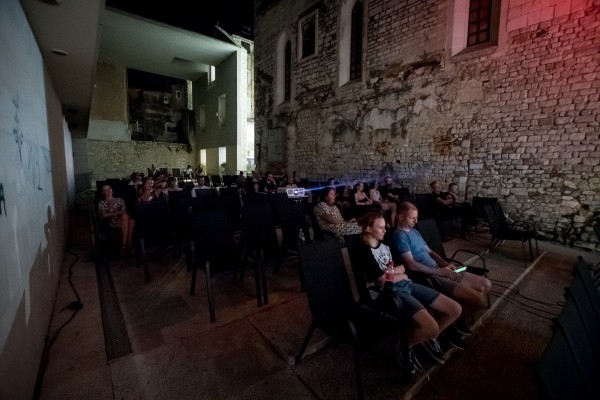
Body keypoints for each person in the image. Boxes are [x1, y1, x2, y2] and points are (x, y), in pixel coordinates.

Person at [355, 212, 462, 370]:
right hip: (390, 293)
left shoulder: (385, 245)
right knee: (431, 326)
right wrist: (398, 274)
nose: (385, 230)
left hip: (406, 284)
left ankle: (429, 338)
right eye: (381, 227)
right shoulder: (363, 251)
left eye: (385, 227)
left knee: (455, 309)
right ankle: (405, 345)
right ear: (369, 229)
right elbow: (384, 281)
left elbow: (402, 267)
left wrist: (396, 273)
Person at [390, 202, 492, 345]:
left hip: (440, 270)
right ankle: (442, 330)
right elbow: (411, 265)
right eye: (412, 218)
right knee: (478, 299)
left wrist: (445, 264)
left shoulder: (414, 232)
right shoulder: (400, 236)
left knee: (485, 285)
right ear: (400, 217)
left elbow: (430, 252)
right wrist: (439, 271)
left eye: (417, 217)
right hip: (431, 276)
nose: (416, 221)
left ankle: (452, 324)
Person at [98, 184, 135, 255]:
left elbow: (124, 212)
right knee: (130, 221)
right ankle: (129, 246)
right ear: (103, 193)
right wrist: (119, 212)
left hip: (122, 219)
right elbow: (104, 215)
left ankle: (124, 245)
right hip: (111, 221)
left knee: (129, 219)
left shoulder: (119, 200)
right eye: (106, 190)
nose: (108, 191)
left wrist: (113, 213)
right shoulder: (102, 203)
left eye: (109, 188)